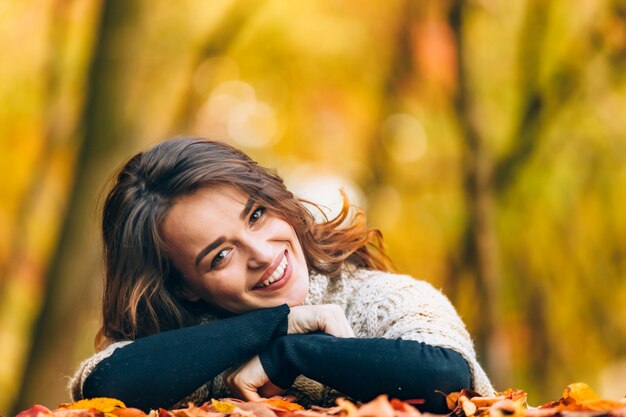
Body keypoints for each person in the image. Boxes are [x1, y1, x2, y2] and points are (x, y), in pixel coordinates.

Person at [68, 137, 494, 414]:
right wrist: (279, 321)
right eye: (220, 256)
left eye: (255, 215)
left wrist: (290, 354)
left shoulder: (380, 299)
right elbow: (105, 385)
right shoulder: (186, 346)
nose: (261, 254)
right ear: (183, 286)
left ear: (276, 200)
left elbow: (448, 378)